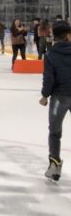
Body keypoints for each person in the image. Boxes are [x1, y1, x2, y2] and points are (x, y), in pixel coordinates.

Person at [41, 20, 71, 183]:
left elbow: (49, 78)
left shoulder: (50, 55)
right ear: (68, 35)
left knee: (55, 132)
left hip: (59, 97)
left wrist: (45, 95)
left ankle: (54, 165)